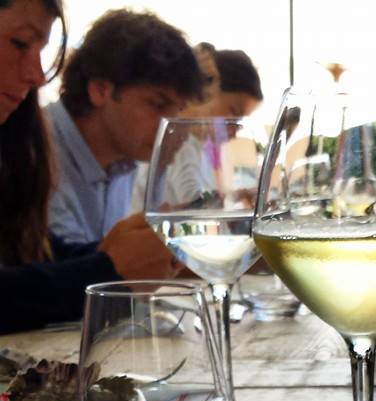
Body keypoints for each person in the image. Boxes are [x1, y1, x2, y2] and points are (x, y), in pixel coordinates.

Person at [0, 0, 179, 333]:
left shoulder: (17, 142)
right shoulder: (45, 145)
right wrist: (108, 270)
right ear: (100, 89)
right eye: (20, 43)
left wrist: (114, 253)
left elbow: (28, 252)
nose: (37, 75)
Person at [45, 9, 204, 245]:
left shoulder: (124, 159)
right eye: (158, 104)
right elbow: (64, 263)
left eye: (179, 109)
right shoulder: (34, 147)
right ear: (100, 90)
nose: (171, 126)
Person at [127, 47, 264, 214]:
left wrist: (237, 196)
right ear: (209, 93)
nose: (235, 127)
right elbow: (193, 206)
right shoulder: (179, 144)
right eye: (234, 111)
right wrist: (237, 199)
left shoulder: (203, 148)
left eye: (241, 120)